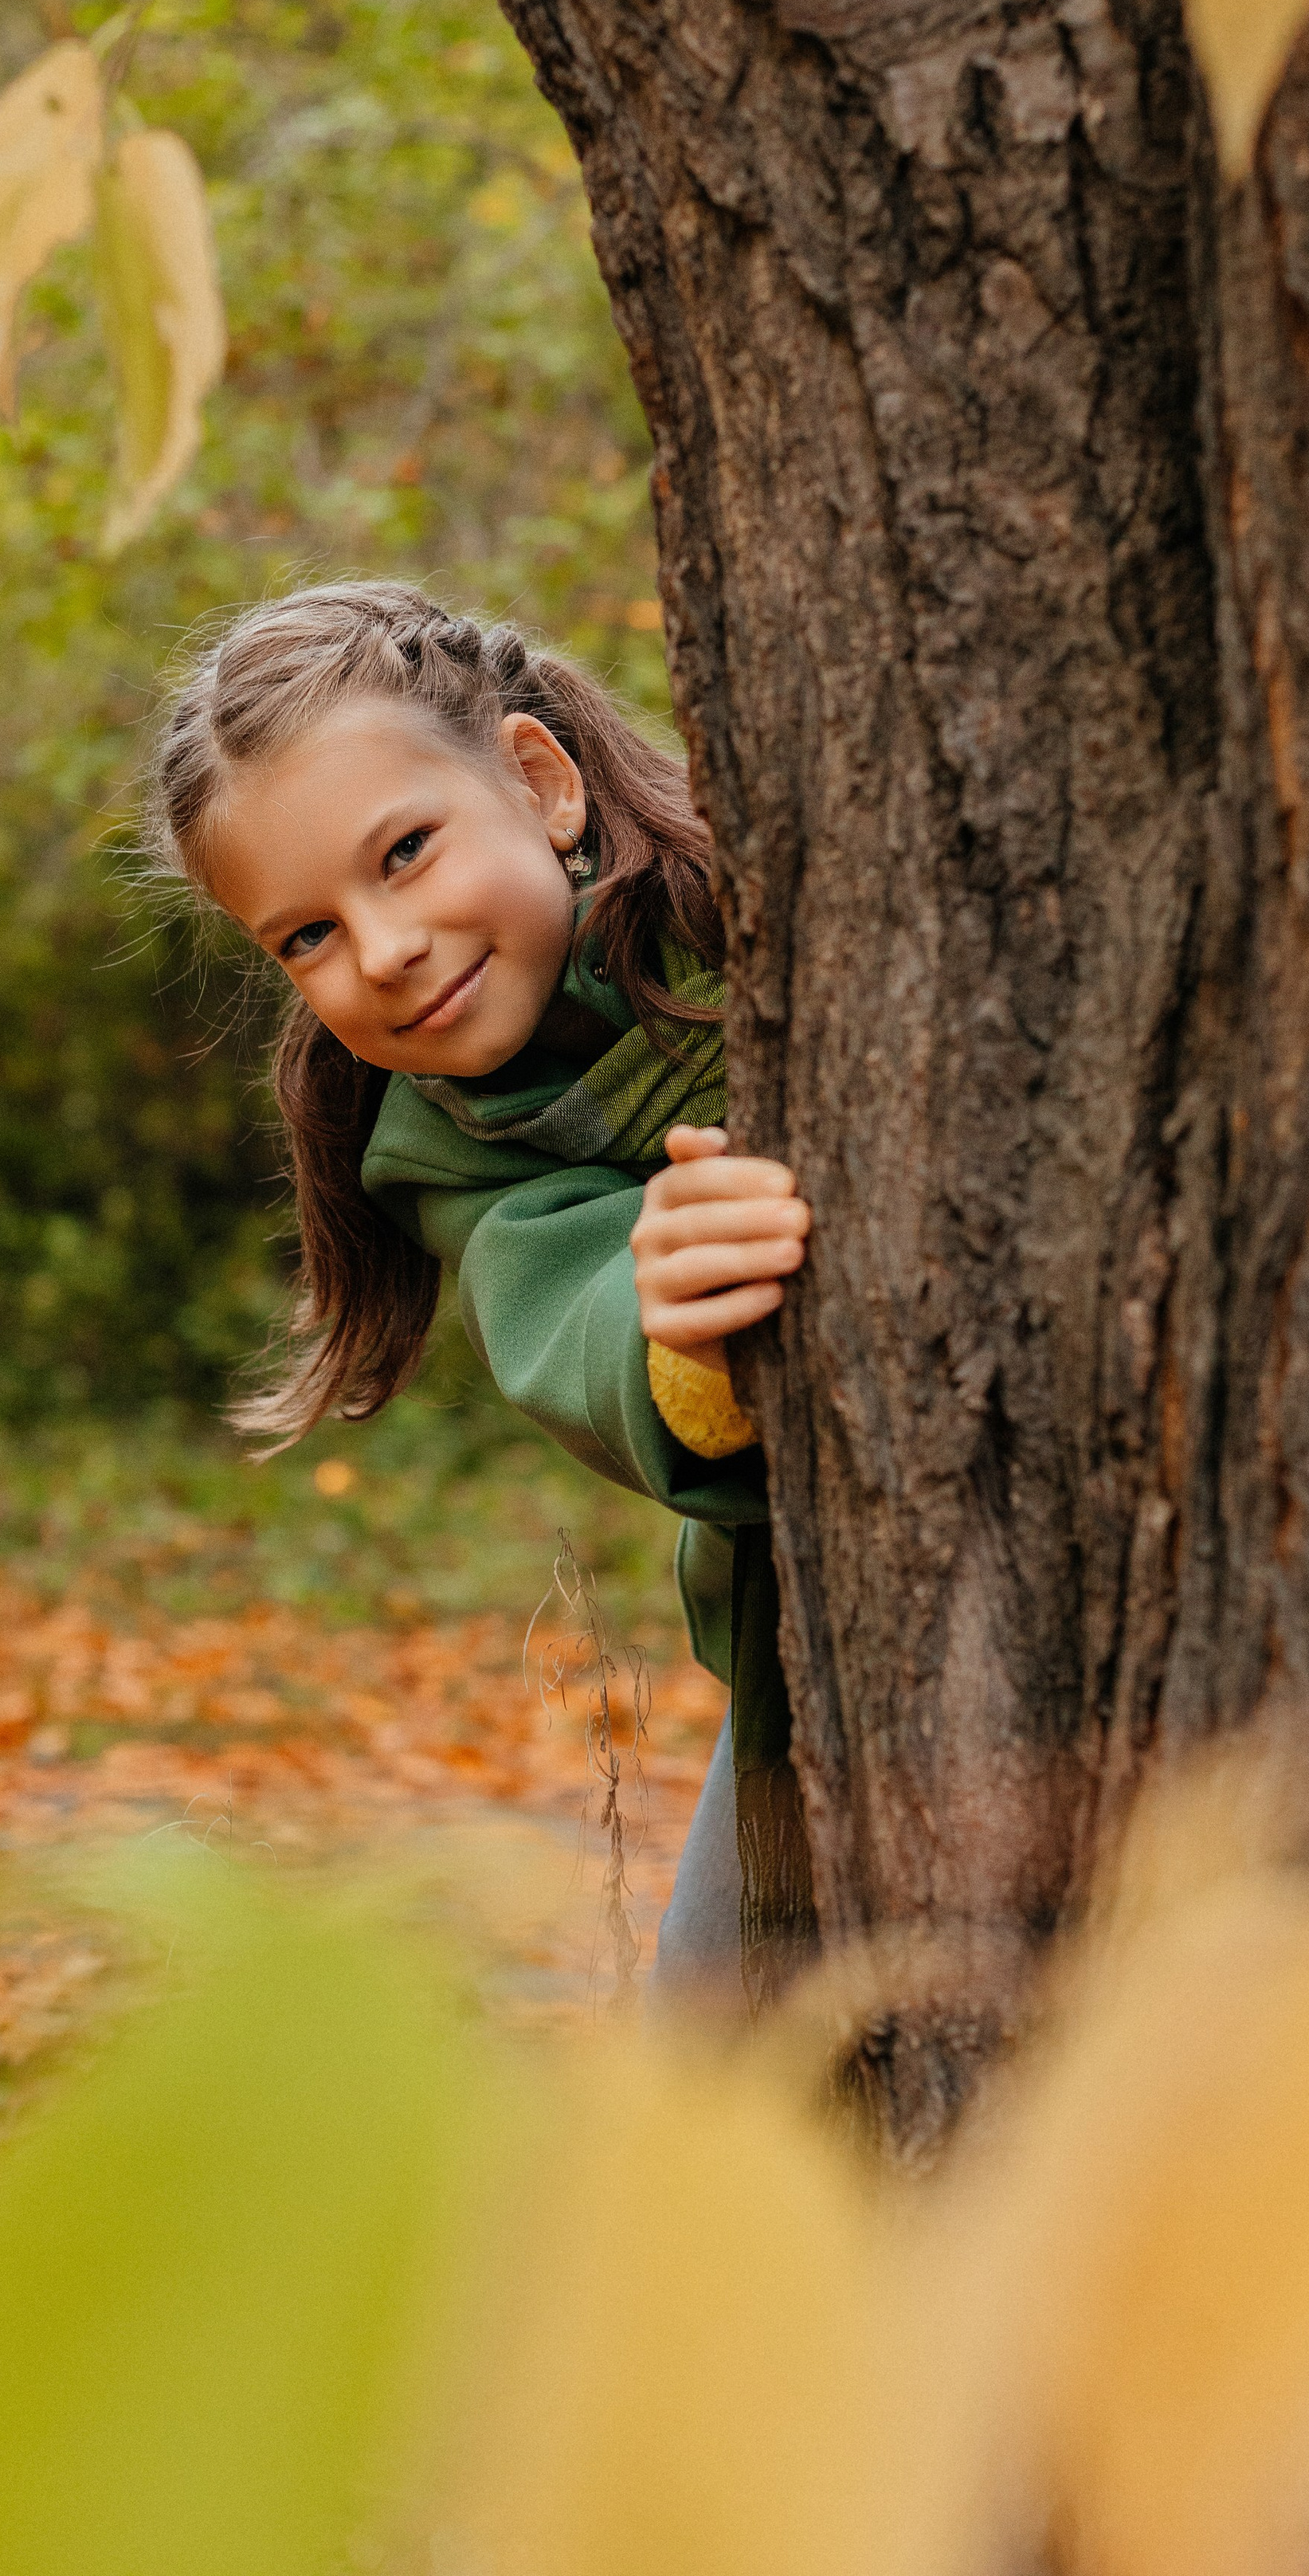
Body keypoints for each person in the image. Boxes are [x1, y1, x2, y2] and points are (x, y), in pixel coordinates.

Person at [147, 577, 817, 2000]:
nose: (381, 951)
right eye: (306, 936)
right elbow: (570, 1321)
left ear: (540, 781)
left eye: (405, 852)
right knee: (710, 2058)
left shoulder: (774, 894)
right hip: (825, 1652)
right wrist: (683, 1334)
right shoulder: (446, 1149)